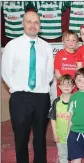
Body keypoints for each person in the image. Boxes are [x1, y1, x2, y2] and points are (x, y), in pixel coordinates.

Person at [1, 11, 54, 163]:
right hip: (20, 97)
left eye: (36, 22)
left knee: (40, 138)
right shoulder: (12, 45)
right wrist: (18, 88)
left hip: (42, 98)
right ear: (23, 24)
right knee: (21, 137)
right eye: (29, 22)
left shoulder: (46, 47)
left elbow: (49, 73)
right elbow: (6, 72)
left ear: (40, 26)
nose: (32, 25)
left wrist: (39, 88)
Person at [48, 74, 75, 163]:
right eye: (63, 84)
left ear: (73, 86)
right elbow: (53, 119)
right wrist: (55, 134)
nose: (66, 86)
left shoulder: (76, 101)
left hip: (74, 135)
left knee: (75, 156)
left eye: (69, 84)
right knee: (63, 156)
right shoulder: (56, 102)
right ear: (59, 86)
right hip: (60, 136)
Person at [52, 30, 78, 99]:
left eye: (73, 40)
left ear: (77, 42)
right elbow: (57, 71)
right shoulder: (59, 54)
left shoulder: (79, 54)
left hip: (75, 86)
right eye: (68, 40)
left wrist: (73, 83)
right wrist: (65, 83)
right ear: (63, 41)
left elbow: (80, 71)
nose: (71, 42)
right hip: (62, 87)